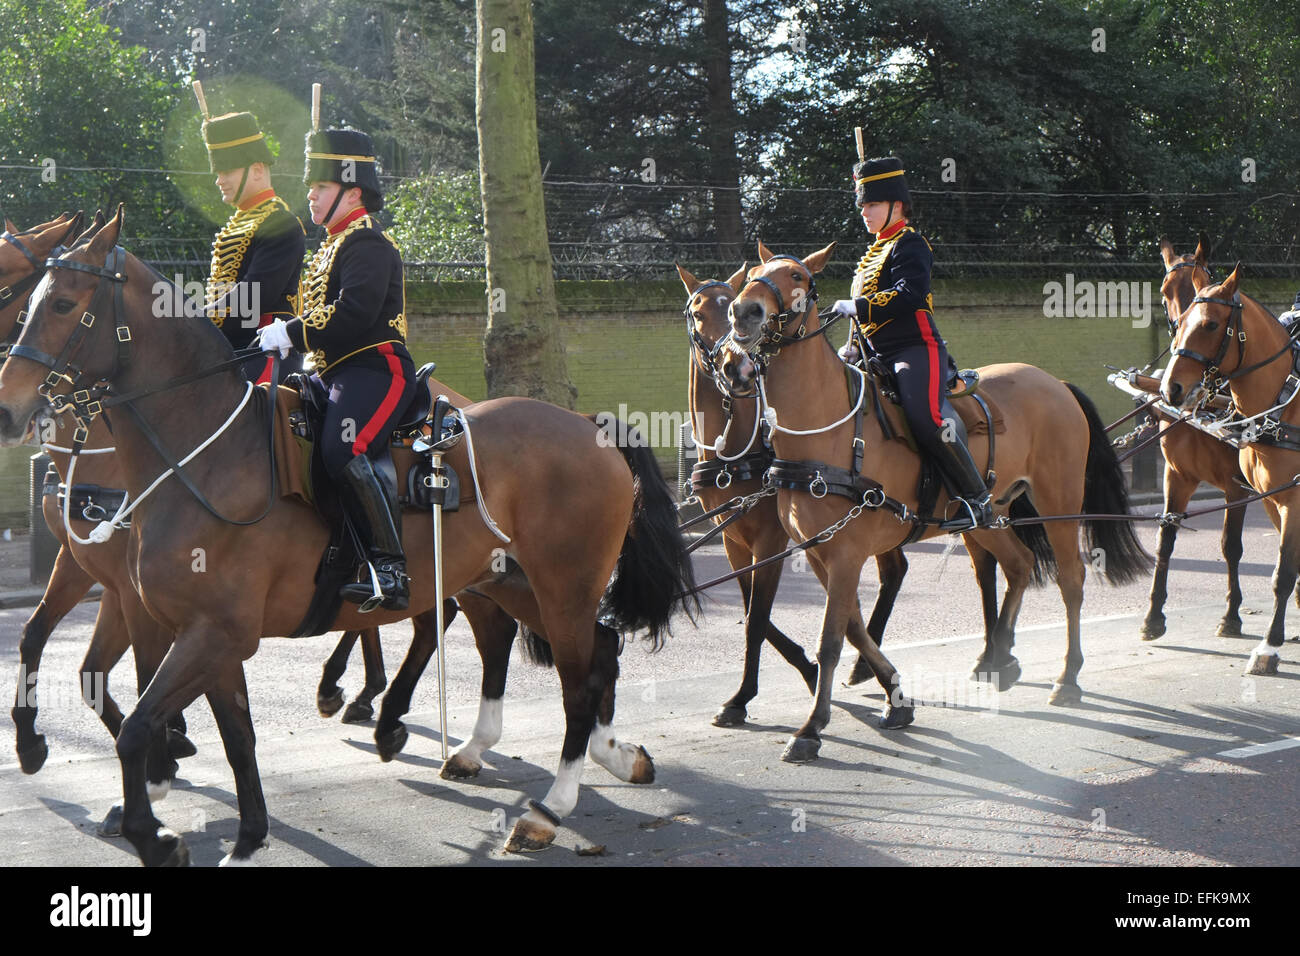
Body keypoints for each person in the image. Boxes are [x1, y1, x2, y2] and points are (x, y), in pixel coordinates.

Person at [259, 127, 415, 611]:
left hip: (374, 369)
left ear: (351, 191)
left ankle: (390, 567)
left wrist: (293, 331)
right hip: (328, 374)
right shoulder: (329, 245)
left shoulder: (367, 243)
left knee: (343, 446)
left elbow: (354, 314)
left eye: (319, 188)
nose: (309, 194)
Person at [832, 156, 992, 530]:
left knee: (927, 416)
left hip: (914, 350)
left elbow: (910, 294)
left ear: (896, 205)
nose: (865, 213)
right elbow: (866, 319)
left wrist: (859, 306)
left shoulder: (911, 244)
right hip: (875, 356)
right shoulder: (872, 254)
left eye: (871, 204)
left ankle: (976, 500)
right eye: (863, 206)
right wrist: (854, 346)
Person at [200, 109, 306, 384]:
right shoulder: (238, 224)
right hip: (228, 348)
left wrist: (198, 318)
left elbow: (254, 295)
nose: (218, 181)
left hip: (265, 348)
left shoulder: (279, 222)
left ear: (257, 170)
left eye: (226, 172)